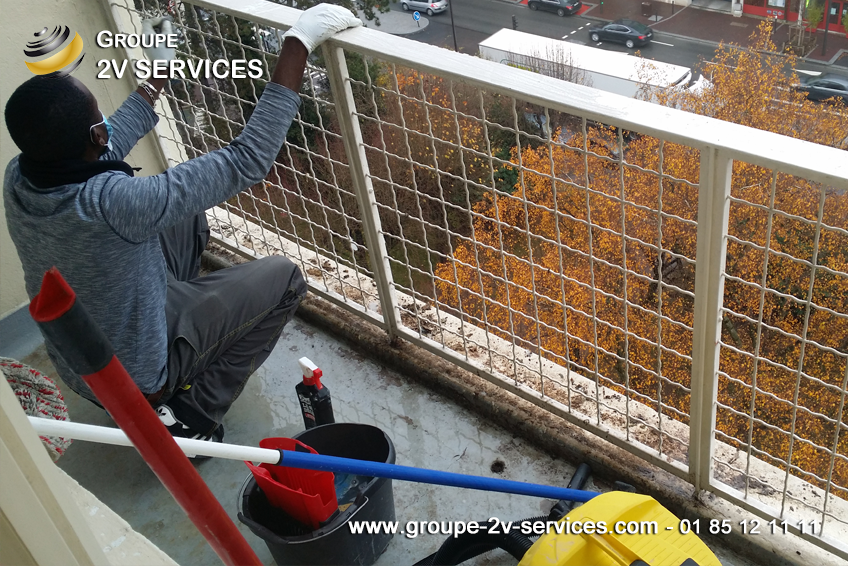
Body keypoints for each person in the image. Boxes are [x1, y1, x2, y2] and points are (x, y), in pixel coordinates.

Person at [4, 5, 361, 451]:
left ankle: (185, 333)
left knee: (186, 213)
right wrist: (297, 42)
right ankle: (188, 414)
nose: (106, 130)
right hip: (133, 380)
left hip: (82, 364)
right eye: (99, 121)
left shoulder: (20, 176)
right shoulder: (117, 203)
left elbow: (106, 137)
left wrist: (158, 73)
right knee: (285, 278)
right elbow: (247, 159)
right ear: (94, 137)